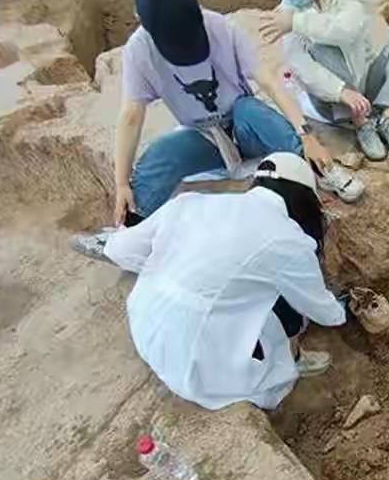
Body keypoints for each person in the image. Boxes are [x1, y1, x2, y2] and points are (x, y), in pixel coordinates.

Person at [71, 0, 363, 260]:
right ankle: (127, 235)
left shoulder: (220, 27)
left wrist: (306, 134)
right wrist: (121, 183)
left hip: (244, 125)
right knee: (159, 158)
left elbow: (269, 81)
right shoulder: (139, 50)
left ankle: (319, 170)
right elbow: (131, 116)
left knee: (250, 110)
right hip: (205, 137)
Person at [101, 152, 347, 411]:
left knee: (247, 287)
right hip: (196, 366)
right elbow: (321, 310)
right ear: (303, 201)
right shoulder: (288, 238)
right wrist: (343, 311)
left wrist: (170, 266)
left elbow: (118, 250)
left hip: (144, 326)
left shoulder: (191, 201)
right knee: (289, 305)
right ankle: (290, 360)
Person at [259, 0, 389, 161]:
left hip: (366, 80)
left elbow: (348, 30)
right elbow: (301, 66)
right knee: (323, 48)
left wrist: (297, 23)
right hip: (334, 100)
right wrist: (340, 91)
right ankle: (361, 124)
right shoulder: (286, 12)